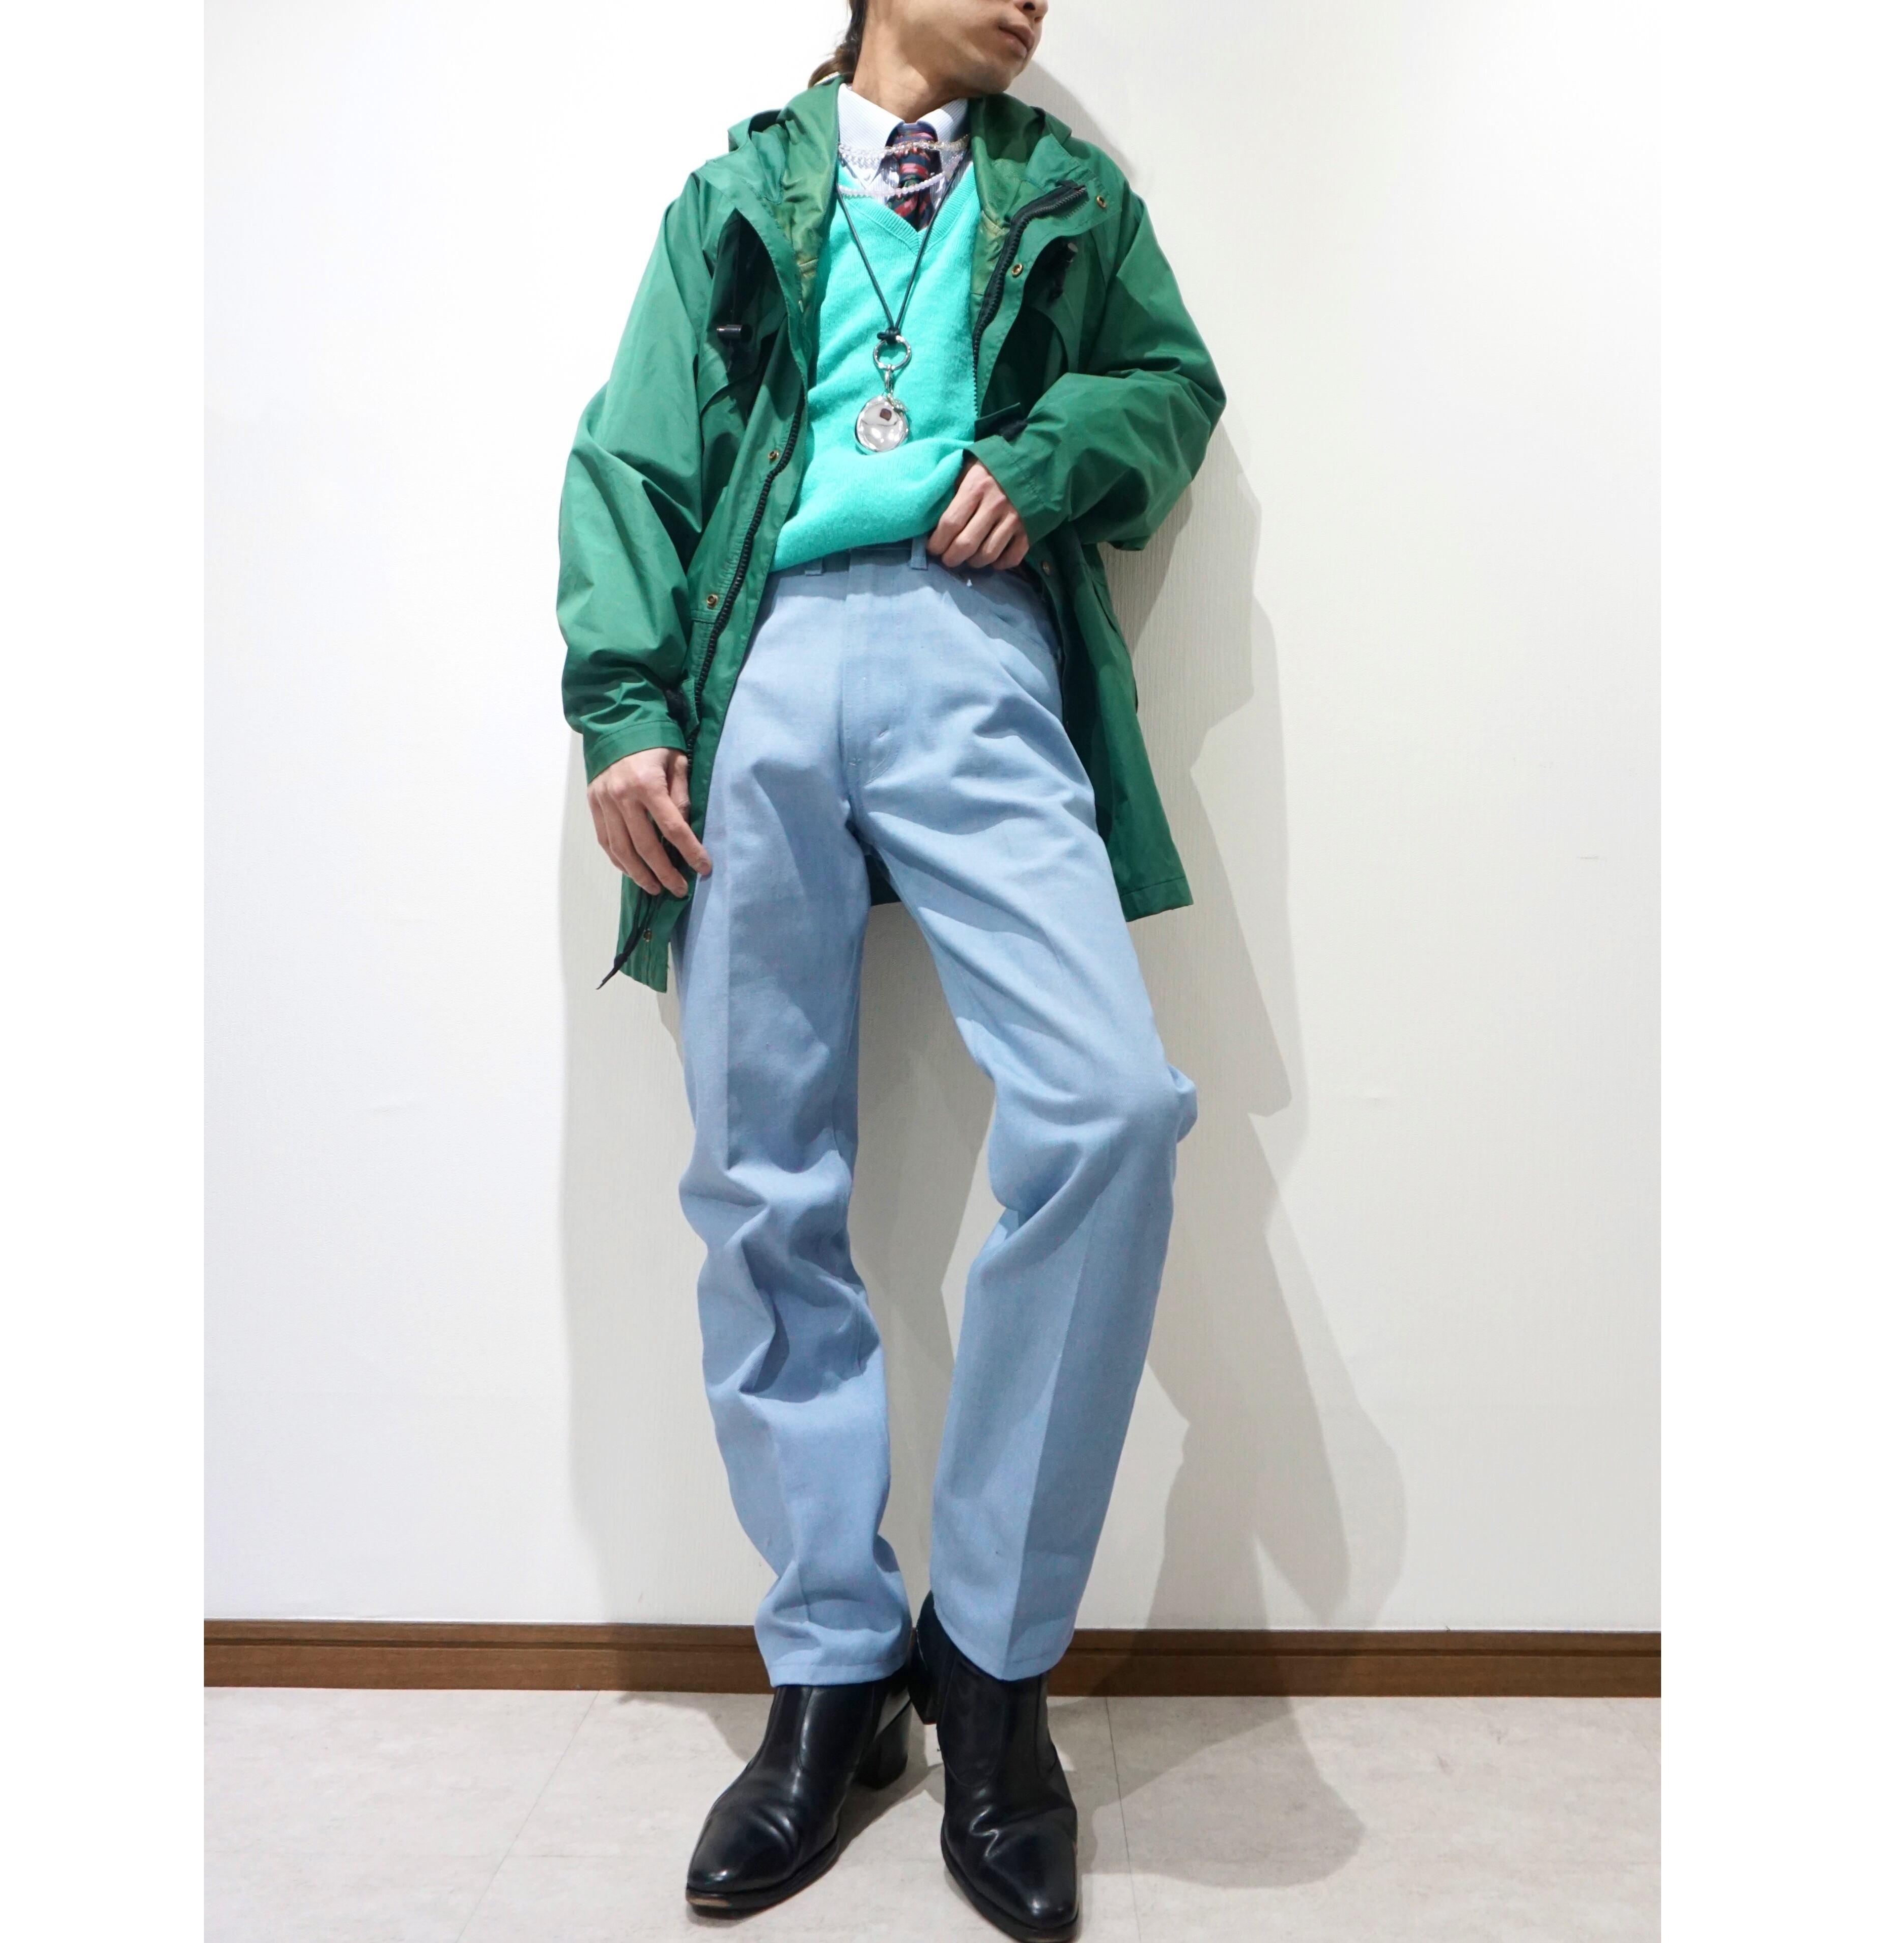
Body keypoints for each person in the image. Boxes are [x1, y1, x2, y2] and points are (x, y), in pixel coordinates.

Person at [556, 2, 1224, 1935]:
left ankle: (991, 1665)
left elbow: (1169, 386)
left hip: (974, 648)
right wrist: (623, 704)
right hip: (754, 659)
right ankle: (831, 1670)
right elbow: (634, 455)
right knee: (762, 1176)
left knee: (1111, 1109)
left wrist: (1050, 449)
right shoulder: (737, 194)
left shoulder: (1070, 194)